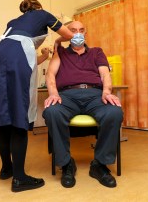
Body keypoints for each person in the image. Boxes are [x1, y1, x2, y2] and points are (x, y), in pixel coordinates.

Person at [0, 0, 74, 193]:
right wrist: (60, 39)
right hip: (17, 55)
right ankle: (20, 178)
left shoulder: (13, 23)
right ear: (38, 7)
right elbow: (67, 34)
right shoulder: (44, 15)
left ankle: (6, 168)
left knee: (5, 116)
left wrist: (44, 55)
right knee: (19, 114)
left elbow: (28, 59)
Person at [42, 21, 123, 188]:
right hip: (67, 96)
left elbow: (105, 74)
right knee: (52, 112)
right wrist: (53, 94)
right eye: (72, 31)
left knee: (114, 112)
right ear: (67, 34)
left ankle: (99, 165)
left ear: (85, 33)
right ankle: (66, 164)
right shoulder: (61, 53)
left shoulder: (96, 52)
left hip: (94, 94)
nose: (77, 33)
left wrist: (107, 91)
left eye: (81, 30)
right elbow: (50, 75)